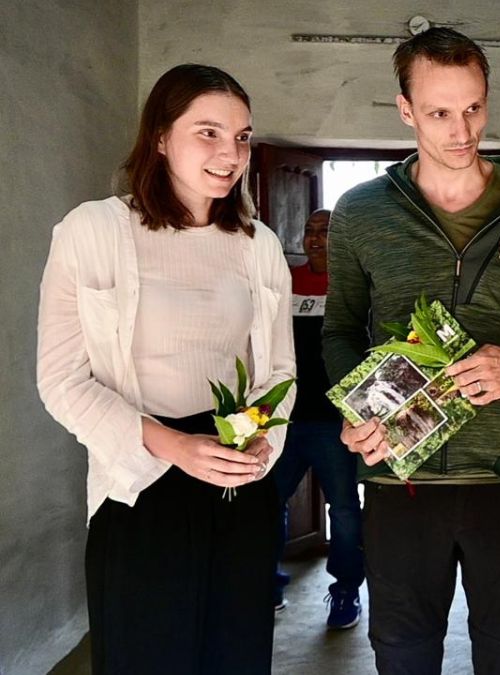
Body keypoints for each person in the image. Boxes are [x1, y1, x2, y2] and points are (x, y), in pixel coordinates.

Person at [324, 28, 500, 674]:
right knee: (401, 653)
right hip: (400, 473)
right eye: (439, 113)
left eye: (474, 108)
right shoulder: (361, 212)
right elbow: (339, 329)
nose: (461, 130)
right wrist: (357, 407)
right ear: (405, 110)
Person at [37, 64, 295, 674]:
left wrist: (261, 438)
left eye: (241, 136)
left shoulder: (257, 244)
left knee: (237, 654)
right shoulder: (94, 230)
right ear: (159, 136)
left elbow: (277, 367)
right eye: (207, 132)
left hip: (237, 479)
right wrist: (173, 445)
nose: (230, 153)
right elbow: (61, 379)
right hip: (140, 484)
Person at [271, 209, 365, 628]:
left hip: (336, 422)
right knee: (268, 505)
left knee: (343, 510)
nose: (314, 239)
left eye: (324, 231)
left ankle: (345, 589)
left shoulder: (355, 285)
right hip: (284, 419)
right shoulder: (283, 281)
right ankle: (268, 582)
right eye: (309, 231)